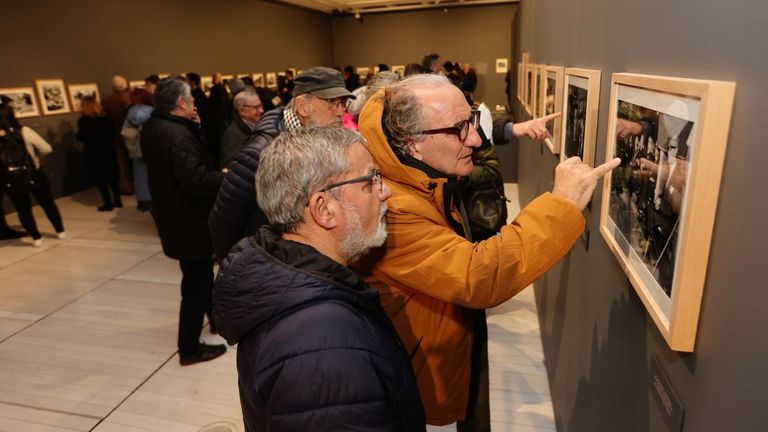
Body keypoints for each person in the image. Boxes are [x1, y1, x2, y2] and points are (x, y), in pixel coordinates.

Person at [356, 74, 621, 428]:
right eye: (459, 130)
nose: (476, 139)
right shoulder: (392, 206)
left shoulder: (415, 175)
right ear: (412, 144)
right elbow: (475, 276)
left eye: (471, 122)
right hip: (420, 374)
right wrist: (561, 205)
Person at [213, 127, 425, 432]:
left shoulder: (294, 279)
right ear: (324, 209)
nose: (385, 191)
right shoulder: (325, 348)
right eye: (370, 180)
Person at [208, 66, 355, 260]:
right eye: (332, 102)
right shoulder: (259, 155)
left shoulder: (316, 142)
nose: (341, 111)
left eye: (343, 102)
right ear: (303, 106)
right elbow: (222, 223)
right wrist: (243, 272)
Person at [140, 77, 226, 365]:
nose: (194, 103)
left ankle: (217, 321)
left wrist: (195, 126)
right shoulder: (176, 134)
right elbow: (197, 181)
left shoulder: (154, 127)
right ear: (181, 102)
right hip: (189, 220)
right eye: (191, 100)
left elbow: (184, 163)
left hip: (173, 216)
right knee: (196, 283)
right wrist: (225, 176)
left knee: (199, 276)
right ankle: (188, 348)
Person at [0, 104, 66, 246]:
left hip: (10, 178)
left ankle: (36, 238)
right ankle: (60, 231)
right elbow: (47, 149)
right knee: (47, 203)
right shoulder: (24, 131)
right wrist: (34, 158)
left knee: (23, 208)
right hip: (33, 173)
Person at [102, 75, 133, 195]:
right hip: (133, 134)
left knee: (122, 165)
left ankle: (126, 186)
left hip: (116, 135)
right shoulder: (130, 96)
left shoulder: (106, 100)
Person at [219, 91, 263, 168]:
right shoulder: (232, 135)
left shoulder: (259, 125)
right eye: (256, 107)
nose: (261, 110)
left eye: (261, 106)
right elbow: (232, 167)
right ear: (242, 111)